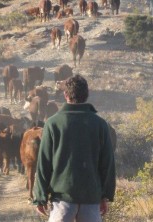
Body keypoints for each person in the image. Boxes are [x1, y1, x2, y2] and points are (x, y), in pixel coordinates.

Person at [33, 74, 116, 222]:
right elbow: (107, 163)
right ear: (86, 95)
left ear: (65, 95)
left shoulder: (53, 124)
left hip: (61, 200)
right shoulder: (100, 124)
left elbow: (43, 163)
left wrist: (41, 197)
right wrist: (105, 195)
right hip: (91, 199)